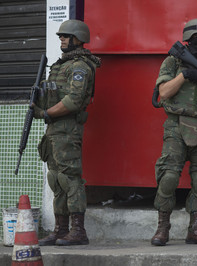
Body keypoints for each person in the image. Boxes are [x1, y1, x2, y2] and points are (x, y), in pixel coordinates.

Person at [151, 17, 197, 246]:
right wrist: (184, 76)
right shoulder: (173, 62)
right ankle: (162, 227)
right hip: (177, 125)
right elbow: (163, 92)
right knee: (169, 177)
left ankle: (195, 229)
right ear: (189, 40)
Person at [33, 19, 101, 246]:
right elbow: (55, 94)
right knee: (55, 179)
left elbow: (74, 100)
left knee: (70, 179)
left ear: (78, 39)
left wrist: (45, 113)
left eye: (65, 36)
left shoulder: (79, 66)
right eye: (60, 36)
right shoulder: (60, 65)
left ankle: (78, 231)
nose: (61, 39)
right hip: (54, 130)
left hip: (67, 129)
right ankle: (60, 230)